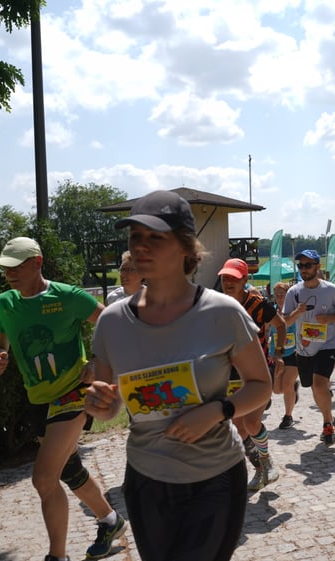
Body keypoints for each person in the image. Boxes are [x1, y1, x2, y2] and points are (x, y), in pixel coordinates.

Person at [85, 190, 271, 561]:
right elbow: (108, 404)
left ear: (187, 247)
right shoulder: (112, 321)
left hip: (216, 477)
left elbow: (261, 386)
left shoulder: (222, 312)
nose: (141, 246)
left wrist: (220, 410)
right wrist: (100, 403)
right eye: (135, 236)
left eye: (156, 237)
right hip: (146, 479)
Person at [0, 237, 126, 561]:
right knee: (69, 470)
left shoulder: (68, 297)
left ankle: (57, 556)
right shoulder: (3, 302)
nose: (8, 274)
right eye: (4, 268)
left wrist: (96, 363)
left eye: (15, 266)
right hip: (38, 398)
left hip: (73, 393)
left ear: (37, 263)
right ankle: (110, 521)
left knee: (43, 477)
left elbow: (114, 328)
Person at [218, 257, 286, 491]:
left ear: (244, 280)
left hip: (259, 370)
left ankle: (267, 462)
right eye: (224, 278)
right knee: (237, 425)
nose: (228, 283)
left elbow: (281, 324)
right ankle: (261, 466)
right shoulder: (218, 304)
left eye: (233, 279)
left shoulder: (258, 303)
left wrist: (278, 353)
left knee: (251, 421)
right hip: (233, 372)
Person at [282, 250, 335, 446]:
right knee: (314, 387)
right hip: (304, 348)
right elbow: (285, 321)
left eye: (308, 265)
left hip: (327, 344)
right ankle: (329, 415)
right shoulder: (293, 292)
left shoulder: (330, 290)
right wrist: (297, 312)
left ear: (317, 267)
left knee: (320, 384)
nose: (303, 269)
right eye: (300, 265)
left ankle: (327, 424)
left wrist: (329, 318)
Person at [270, 282, 300, 430]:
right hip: (277, 353)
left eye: (283, 295)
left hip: (294, 352)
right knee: (276, 390)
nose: (280, 298)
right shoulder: (272, 312)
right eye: (277, 295)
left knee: (286, 386)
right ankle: (294, 387)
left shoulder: (294, 311)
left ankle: (288, 416)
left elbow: (292, 324)